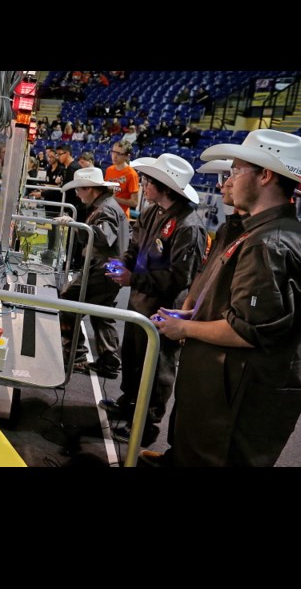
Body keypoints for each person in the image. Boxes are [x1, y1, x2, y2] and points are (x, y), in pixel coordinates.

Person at [151, 130, 301, 466]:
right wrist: (192, 316)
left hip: (237, 398)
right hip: (225, 389)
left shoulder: (269, 243)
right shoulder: (258, 232)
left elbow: (246, 329)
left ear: (265, 175)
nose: (229, 180)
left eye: (236, 170)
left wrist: (185, 330)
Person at [100, 153, 207, 446]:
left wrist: (132, 278)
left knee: (158, 369)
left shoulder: (189, 227)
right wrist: (123, 265)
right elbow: (134, 246)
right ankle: (128, 402)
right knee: (133, 358)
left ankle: (147, 426)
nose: (143, 186)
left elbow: (179, 279)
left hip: (164, 309)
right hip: (139, 302)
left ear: (165, 187)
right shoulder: (151, 211)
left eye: (148, 182)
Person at [56, 168, 129, 377]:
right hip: (109, 268)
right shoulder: (106, 205)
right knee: (102, 314)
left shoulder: (105, 209)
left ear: (89, 189)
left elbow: (104, 238)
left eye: (79, 190)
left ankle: (76, 355)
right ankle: (109, 361)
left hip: (102, 268)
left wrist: (76, 225)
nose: (77, 195)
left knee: (68, 302)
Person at [104, 140, 141, 218]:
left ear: (127, 156)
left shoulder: (132, 174)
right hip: (107, 212)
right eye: (113, 152)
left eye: (119, 154)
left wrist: (114, 199)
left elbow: (134, 202)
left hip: (121, 216)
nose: (114, 156)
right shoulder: (109, 170)